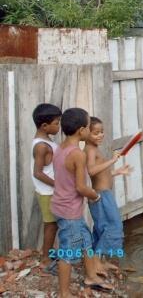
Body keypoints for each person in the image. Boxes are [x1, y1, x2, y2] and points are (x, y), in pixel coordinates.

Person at [51, 108, 113, 296]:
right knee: (67, 253)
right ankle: (64, 293)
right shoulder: (78, 154)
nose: (89, 130)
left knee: (85, 241)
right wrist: (95, 196)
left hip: (63, 206)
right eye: (88, 127)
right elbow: (80, 187)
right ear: (81, 131)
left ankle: (92, 276)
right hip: (69, 211)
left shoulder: (60, 147)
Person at [84, 117, 130, 276]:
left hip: (104, 195)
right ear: (85, 133)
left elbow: (101, 173)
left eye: (102, 132)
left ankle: (100, 261)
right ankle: (96, 262)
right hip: (100, 197)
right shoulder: (89, 150)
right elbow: (91, 171)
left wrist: (117, 172)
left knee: (102, 229)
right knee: (113, 227)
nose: (100, 135)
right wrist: (112, 160)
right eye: (95, 133)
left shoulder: (95, 148)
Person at [31, 103, 62, 272]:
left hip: (50, 191)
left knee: (53, 224)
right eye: (56, 123)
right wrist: (59, 185)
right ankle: (45, 260)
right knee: (50, 225)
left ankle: (49, 254)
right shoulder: (41, 146)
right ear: (44, 125)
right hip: (48, 191)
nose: (59, 126)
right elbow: (38, 172)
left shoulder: (46, 141)